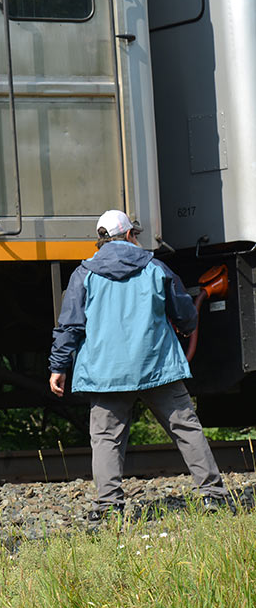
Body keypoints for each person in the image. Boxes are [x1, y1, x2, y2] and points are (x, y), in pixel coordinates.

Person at [49, 210, 231, 521]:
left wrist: (59, 365)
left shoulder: (84, 275)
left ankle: (109, 507)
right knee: (186, 428)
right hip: (156, 366)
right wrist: (186, 327)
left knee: (106, 438)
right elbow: (184, 312)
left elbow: (69, 326)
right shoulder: (156, 267)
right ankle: (213, 496)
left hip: (107, 373)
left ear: (101, 240)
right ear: (131, 235)